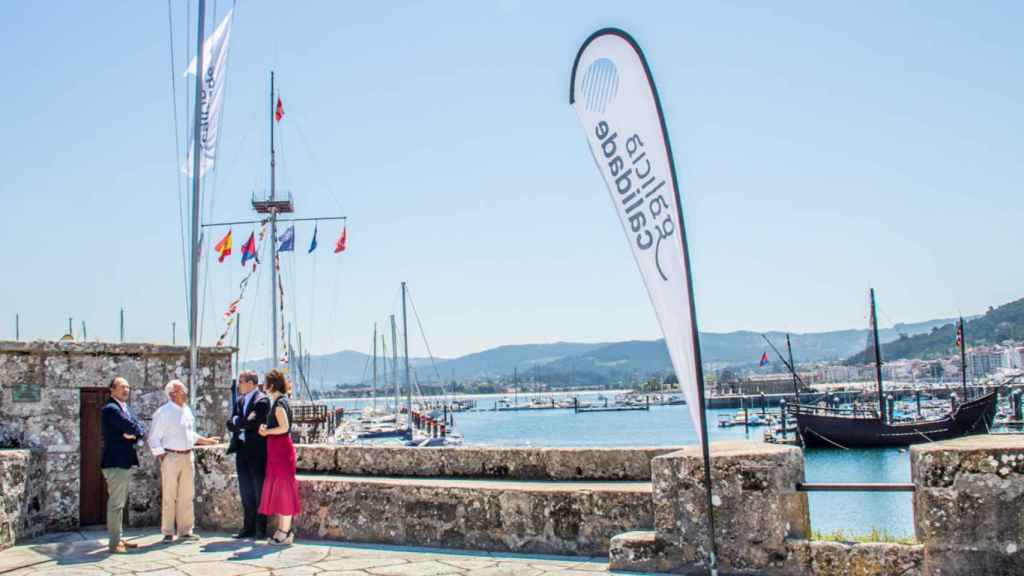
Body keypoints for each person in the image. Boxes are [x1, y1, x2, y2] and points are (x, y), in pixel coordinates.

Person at [147, 380, 217, 543]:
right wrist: (162, 456)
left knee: (187, 495)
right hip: (171, 456)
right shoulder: (163, 412)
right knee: (169, 496)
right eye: (182, 391)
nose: (185, 393)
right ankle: (168, 531)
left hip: (187, 455)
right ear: (172, 394)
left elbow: (189, 434)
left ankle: (185, 530)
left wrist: (205, 441)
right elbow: (153, 438)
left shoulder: (186, 410)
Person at [100, 377, 147, 554]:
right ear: (112, 390)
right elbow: (130, 426)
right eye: (122, 387)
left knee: (120, 502)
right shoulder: (111, 409)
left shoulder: (125, 408)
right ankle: (114, 543)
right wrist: (134, 432)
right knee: (116, 503)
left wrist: (135, 433)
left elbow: (139, 427)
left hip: (123, 461)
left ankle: (118, 538)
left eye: (128, 387)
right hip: (115, 461)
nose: (126, 390)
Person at [225, 370, 270, 539]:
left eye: (241, 381)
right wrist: (239, 422)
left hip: (257, 452)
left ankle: (260, 529)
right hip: (241, 450)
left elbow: (252, 422)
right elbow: (230, 423)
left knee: (259, 490)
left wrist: (238, 421)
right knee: (245, 490)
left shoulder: (262, 400)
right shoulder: (240, 400)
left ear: (250, 383)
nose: (238, 385)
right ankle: (247, 527)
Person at [258, 369, 301, 545]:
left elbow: (284, 427)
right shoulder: (280, 401)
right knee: (281, 489)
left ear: (271, 385)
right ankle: (283, 530)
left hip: (281, 451)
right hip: (278, 451)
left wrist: (267, 431)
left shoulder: (279, 404)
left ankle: (285, 531)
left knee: (284, 490)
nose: (263, 386)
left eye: (265, 383)